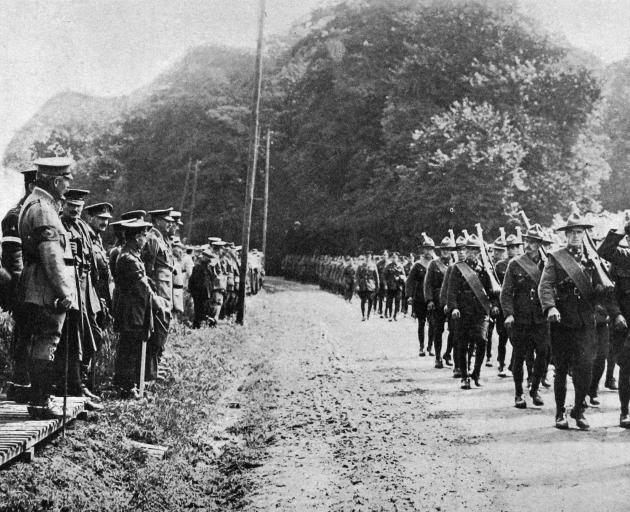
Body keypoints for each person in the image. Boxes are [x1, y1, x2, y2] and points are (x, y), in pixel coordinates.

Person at [539, 212, 616, 430]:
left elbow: (602, 289)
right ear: (565, 235)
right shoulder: (556, 257)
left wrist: (602, 290)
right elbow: (545, 285)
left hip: (586, 321)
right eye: (571, 232)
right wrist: (551, 307)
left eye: (579, 232)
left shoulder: (592, 259)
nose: (575, 236)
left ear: (584, 234)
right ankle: (559, 412)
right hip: (562, 320)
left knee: (586, 367)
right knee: (561, 368)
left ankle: (579, 410)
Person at [17, 157, 77, 418]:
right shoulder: (44, 209)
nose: (67, 185)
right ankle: (41, 403)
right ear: (55, 181)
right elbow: (52, 257)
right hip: (44, 285)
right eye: (66, 180)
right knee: (47, 339)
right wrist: (65, 293)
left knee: (40, 339)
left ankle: (40, 399)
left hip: (36, 282)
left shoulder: (38, 203)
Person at [58, 189, 103, 408]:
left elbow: (92, 259)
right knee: (73, 337)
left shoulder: (83, 227)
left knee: (92, 334)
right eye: (70, 206)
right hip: (71, 285)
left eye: (78, 206)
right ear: (62, 205)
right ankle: (72, 385)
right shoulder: (59, 225)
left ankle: (80, 381)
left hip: (86, 287)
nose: (75, 210)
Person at [113, 219, 167, 398]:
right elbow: (141, 285)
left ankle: (132, 385)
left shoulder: (132, 255)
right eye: (144, 235)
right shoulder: (128, 258)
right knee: (129, 349)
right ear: (137, 237)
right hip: (130, 310)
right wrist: (156, 300)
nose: (146, 239)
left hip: (135, 309)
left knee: (132, 347)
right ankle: (127, 387)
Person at [500, 226, 549, 409]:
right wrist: (509, 314)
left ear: (539, 245)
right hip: (520, 318)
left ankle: (535, 389)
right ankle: (519, 393)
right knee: (519, 356)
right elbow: (506, 293)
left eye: (533, 242)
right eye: (527, 241)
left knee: (543, 353)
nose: (529, 245)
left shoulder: (547, 264)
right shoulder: (515, 264)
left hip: (541, 318)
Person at [2, 166, 37, 401]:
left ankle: (25, 383)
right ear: (31, 186)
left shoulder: (33, 211)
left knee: (31, 334)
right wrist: (22, 290)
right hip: (22, 285)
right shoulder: (16, 215)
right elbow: (14, 259)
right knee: (25, 334)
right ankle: (19, 384)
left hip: (34, 284)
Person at [447, 234, 500, 389]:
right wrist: (454, 308)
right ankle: (464, 376)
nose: (471, 253)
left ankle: (476, 373)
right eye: (468, 249)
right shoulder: (458, 269)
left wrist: (495, 305)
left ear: (478, 252)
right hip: (463, 312)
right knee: (462, 344)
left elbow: (493, 291)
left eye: (474, 250)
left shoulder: (484, 270)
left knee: (482, 341)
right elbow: (451, 291)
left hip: (480, 312)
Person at [597, 226, 630, 427]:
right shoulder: (624, 258)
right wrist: (616, 314)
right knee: (627, 369)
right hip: (625, 325)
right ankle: (625, 411)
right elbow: (604, 251)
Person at [142, 208, 175, 380]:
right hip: (158, 294)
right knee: (156, 333)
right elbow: (148, 269)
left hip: (165, 293)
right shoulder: (153, 239)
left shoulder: (163, 240)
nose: (170, 223)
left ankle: (155, 368)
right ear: (156, 221)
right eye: (165, 220)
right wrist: (153, 293)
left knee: (162, 332)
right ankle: (149, 373)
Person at [424, 236, 455, 368]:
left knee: (454, 330)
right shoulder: (434, 264)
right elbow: (427, 283)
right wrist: (429, 299)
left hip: (452, 300)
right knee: (438, 329)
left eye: (448, 250)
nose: (445, 252)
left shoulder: (456, 265)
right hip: (437, 301)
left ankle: (447, 353)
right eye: (443, 250)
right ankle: (438, 357)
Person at [441, 234, 468, 378]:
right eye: (459, 250)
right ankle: (457, 366)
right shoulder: (453, 268)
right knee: (457, 336)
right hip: (455, 307)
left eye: (464, 249)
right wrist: (447, 304)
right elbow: (446, 288)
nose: (462, 252)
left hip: (469, 307)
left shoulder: (473, 267)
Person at [406, 237, 435, 356]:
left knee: (433, 324)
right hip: (420, 298)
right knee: (421, 323)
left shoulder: (436, 264)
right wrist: (409, 296)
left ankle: (430, 347)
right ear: (423, 250)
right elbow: (409, 282)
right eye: (426, 249)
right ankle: (421, 347)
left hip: (433, 299)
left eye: (430, 249)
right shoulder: (418, 265)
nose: (428, 251)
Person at [188, 248, 213, 328]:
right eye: (208, 257)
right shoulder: (197, 268)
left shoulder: (208, 268)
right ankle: (197, 325)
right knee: (198, 310)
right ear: (204, 257)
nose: (209, 260)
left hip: (206, 293)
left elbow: (210, 281)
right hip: (199, 293)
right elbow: (192, 281)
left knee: (204, 310)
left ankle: (202, 324)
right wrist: (193, 292)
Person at [356, 252, 379, 320]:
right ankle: (363, 315)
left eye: (369, 257)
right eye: (366, 257)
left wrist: (377, 286)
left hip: (371, 285)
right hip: (362, 285)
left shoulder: (373, 265)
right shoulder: (361, 266)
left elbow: (376, 277)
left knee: (370, 300)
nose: (367, 258)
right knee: (363, 301)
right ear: (364, 257)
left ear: (371, 257)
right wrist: (357, 285)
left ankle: (368, 315)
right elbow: (357, 276)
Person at [384, 252, 406, 321]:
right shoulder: (388, 266)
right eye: (393, 257)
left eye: (395, 257)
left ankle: (395, 315)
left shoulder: (400, 266)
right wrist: (385, 284)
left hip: (398, 287)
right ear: (391, 258)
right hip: (390, 287)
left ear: (397, 258)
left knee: (397, 302)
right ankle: (390, 315)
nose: (394, 259)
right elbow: (384, 276)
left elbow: (404, 276)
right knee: (390, 302)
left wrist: (399, 277)